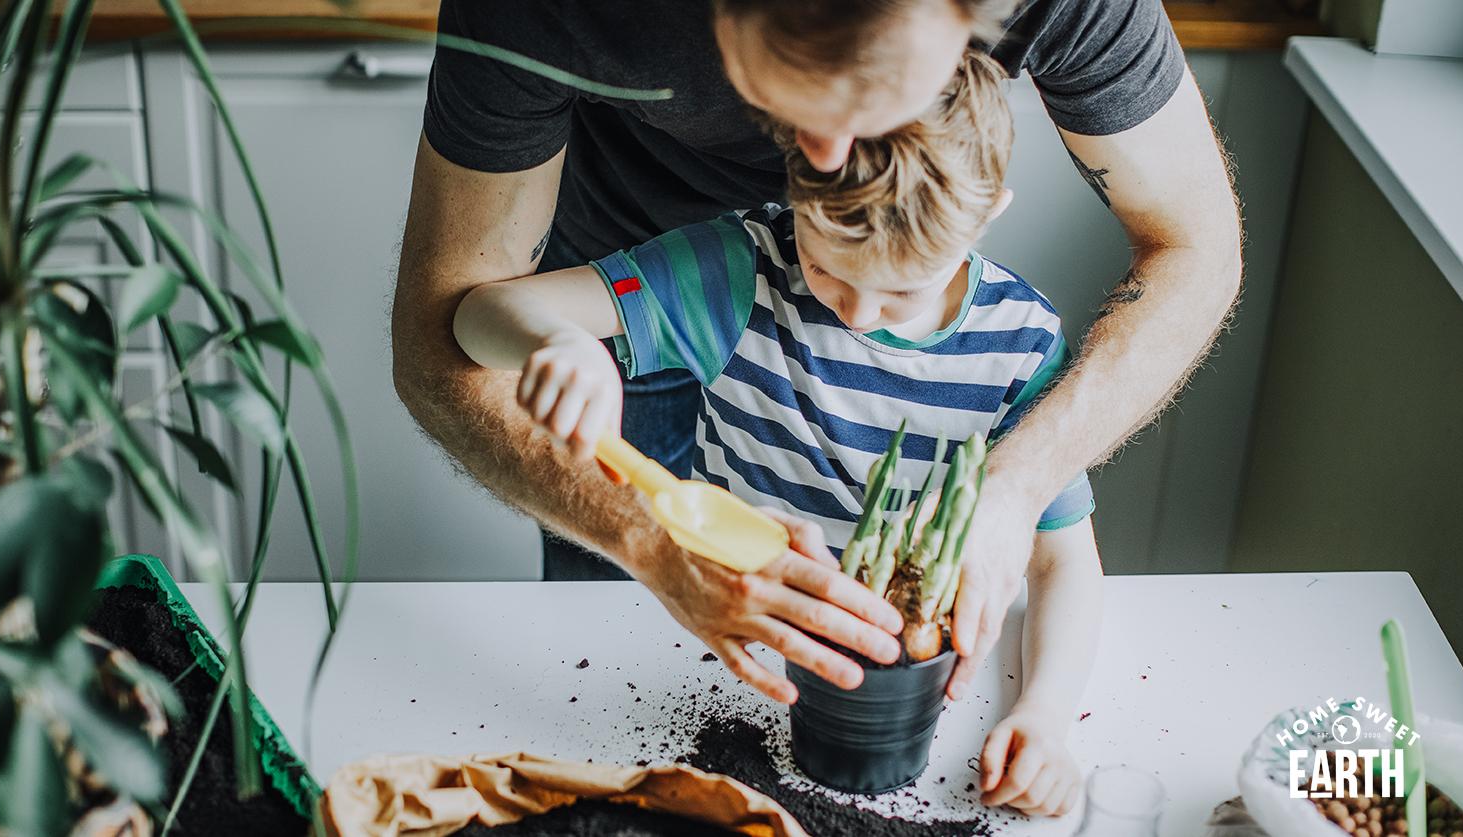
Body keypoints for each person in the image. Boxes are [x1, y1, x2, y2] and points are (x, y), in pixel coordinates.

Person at [392, 0, 1237, 714]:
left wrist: (1017, 485)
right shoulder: (720, 251)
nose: (822, 160)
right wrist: (639, 527)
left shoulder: (1010, 344)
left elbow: (1196, 249)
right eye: (795, 101)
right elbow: (448, 328)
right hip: (631, 304)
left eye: (877, 98)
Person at [453, 52, 1101, 816]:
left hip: (929, 716)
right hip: (720, 664)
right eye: (829, 268)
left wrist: (1046, 714)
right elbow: (476, 316)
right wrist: (557, 341)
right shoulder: (739, 272)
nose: (856, 315)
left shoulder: (1021, 347)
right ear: (796, 183)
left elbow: (1066, 566)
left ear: (990, 209)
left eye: (900, 289)